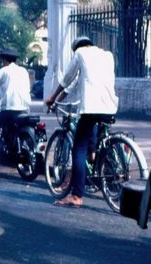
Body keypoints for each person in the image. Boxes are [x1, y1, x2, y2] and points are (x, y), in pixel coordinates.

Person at [45, 36, 118, 208]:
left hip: (91, 108)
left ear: (77, 47)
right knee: (92, 134)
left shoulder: (80, 53)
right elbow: (75, 84)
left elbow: (66, 79)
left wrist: (52, 98)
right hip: (110, 107)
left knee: (78, 148)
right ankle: (94, 157)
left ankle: (77, 195)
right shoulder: (107, 55)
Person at [0, 47, 31, 166]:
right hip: (25, 108)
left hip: (9, 109)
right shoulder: (24, 71)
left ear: (4, 60)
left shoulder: (4, 71)